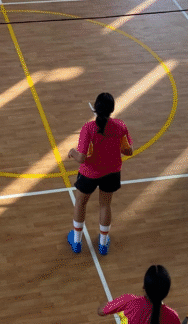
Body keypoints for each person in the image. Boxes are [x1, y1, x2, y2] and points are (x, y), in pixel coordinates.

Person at [67, 92, 132, 255]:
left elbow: (81, 157)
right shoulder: (120, 125)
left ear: (95, 108)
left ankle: (76, 241)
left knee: (80, 203)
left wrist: (71, 152)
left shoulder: (88, 129)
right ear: (112, 109)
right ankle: (103, 244)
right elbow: (128, 151)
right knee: (105, 205)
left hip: (89, 174)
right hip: (111, 173)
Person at [97, 265, 180, 324]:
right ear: (166, 292)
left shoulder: (128, 301)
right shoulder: (173, 316)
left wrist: (111, 304)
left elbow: (101, 311)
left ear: (144, 286)